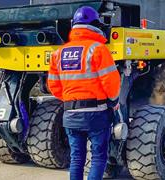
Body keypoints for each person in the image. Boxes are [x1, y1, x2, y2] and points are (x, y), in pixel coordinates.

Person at [47, 6, 121, 180]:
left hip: (70, 114)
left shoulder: (59, 53)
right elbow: (111, 82)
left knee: (77, 158)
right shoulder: (98, 49)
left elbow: (54, 86)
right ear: (95, 24)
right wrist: (113, 100)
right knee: (98, 157)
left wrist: (71, 100)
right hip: (96, 115)